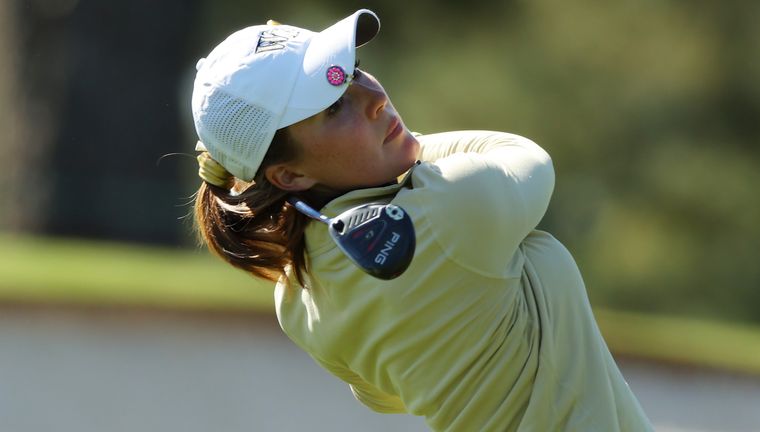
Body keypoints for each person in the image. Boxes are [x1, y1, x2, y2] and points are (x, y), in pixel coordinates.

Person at [190, 9, 653, 431]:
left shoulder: (297, 301)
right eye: (333, 106)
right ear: (289, 174)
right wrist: (408, 148)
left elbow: (386, 399)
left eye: (352, 73)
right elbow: (527, 158)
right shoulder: (449, 206)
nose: (374, 96)